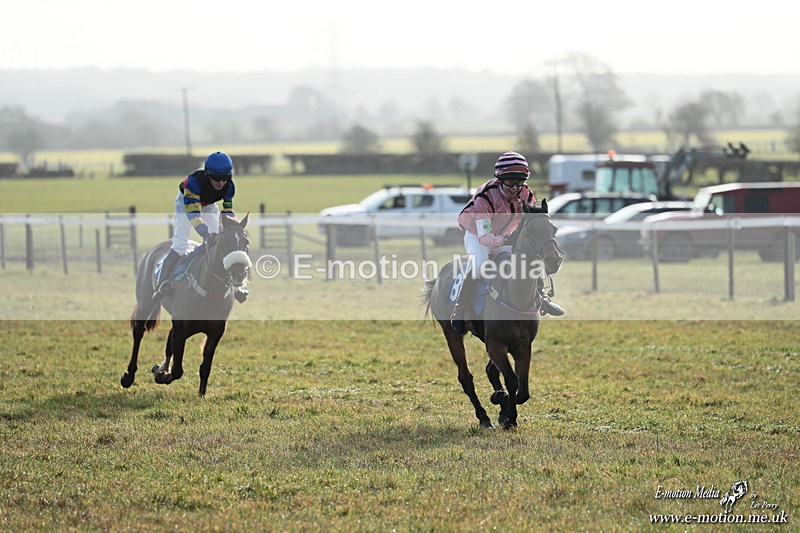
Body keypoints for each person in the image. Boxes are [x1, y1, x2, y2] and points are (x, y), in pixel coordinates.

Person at [450, 151, 564, 333]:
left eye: (520, 183)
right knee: (481, 264)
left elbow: (530, 222)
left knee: (529, 259)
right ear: (500, 179)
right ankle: (461, 306)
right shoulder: (485, 197)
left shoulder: (526, 194)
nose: (515, 188)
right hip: (477, 235)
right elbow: (485, 237)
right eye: (510, 182)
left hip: (505, 234)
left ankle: (541, 297)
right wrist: (503, 240)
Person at [153, 151, 247, 303]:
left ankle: (236, 287)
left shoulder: (230, 187)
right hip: (186, 205)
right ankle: (161, 284)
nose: (221, 183)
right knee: (180, 245)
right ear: (208, 174)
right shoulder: (194, 183)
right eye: (217, 178)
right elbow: (193, 215)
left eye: (225, 178)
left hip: (209, 205)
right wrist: (205, 234)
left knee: (220, 243)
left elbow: (228, 210)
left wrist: (230, 226)